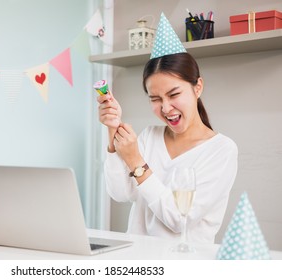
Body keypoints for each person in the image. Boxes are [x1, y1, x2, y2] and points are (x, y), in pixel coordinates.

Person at [96, 15, 238, 244]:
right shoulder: (150, 136)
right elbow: (120, 194)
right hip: (136, 260)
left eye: (174, 95)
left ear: (197, 87)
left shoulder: (222, 150)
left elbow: (179, 220)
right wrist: (112, 133)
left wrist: (136, 162)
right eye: (155, 98)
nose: (165, 108)